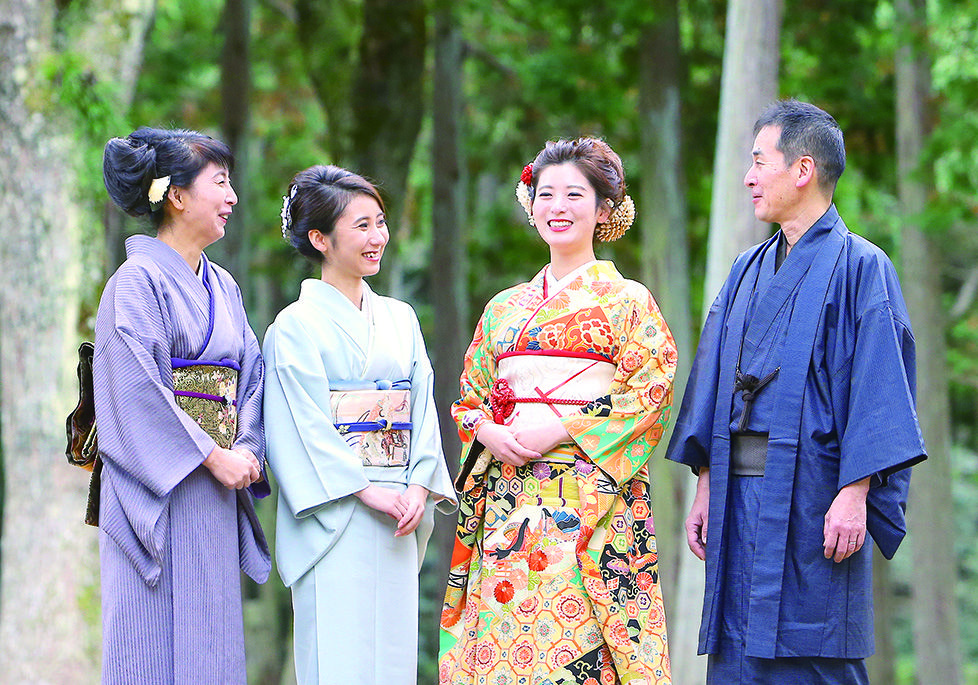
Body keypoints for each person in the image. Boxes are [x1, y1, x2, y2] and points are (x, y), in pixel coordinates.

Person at [665, 99, 927, 683]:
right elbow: (713, 382)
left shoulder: (863, 267)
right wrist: (706, 479)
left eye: (760, 162)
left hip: (814, 496)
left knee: (815, 646)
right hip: (737, 497)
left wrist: (857, 490)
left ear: (803, 169)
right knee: (737, 649)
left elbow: (881, 386)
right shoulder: (746, 270)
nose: (748, 177)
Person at [440, 137, 676, 684]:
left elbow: (649, 392)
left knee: (580, 645)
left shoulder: (628, 301)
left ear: (604, 210)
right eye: (546, 194)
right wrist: (486, 432)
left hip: (589, 503)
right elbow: (470, 397)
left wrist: (561, 426)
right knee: (504, 643)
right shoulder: (503, 308)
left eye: (574, 194)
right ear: (531, 206)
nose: (558, 207)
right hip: (508, 499)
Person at [263, 165, 457, 685]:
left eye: (380, 223)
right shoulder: (293, 327)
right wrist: (365, 490)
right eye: (362, 226)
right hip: (338, 509)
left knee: (392, 658)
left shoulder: (400, 317)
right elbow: (299, 427)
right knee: (339, 658)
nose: (378, 237)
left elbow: (422, 406)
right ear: (320, 239)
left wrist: (418, 486)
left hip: (399, 508)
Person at [95, 127, 270, 683]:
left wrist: (245, 447)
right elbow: (134, 391)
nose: (232, 197)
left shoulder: (225, 286)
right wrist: (211, 455)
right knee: (149, 643)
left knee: (211, 644)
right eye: (219, 183)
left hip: (218, 485)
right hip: (159, 489)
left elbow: (252, 377)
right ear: (176, 196)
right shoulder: (135, 283)